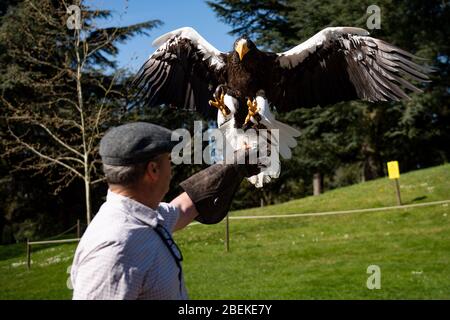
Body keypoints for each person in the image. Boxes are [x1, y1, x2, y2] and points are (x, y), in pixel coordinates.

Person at [70, 122, 259, 300]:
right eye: (168, 160)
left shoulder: (142, 216)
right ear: (153, 170)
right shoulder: (115, 249)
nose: (171, 167)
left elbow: (183, 208)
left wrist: (234, 165)